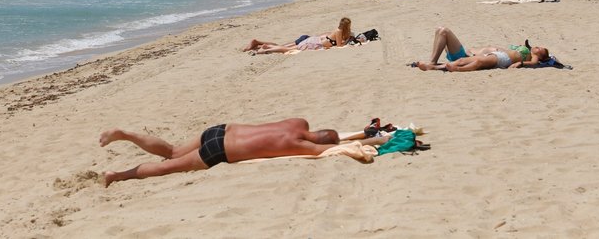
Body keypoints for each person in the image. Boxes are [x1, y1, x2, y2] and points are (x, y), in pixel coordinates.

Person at [100, 117, 389, 186]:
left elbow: (331, 136)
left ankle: (124, 134)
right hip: (221, 150)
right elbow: (330, 149)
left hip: (221, 130)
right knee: (166, 167)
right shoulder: (306, 147)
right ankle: (116, 176)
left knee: (173, 151)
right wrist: (377, 141)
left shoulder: (299, 123)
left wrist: (363, 131)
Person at [411, 26, 550, 71]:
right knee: (440, 30)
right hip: (468, 54)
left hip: (467, 58)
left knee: (444, 31)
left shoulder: (532, 57)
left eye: (541, 49)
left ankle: (432, 64)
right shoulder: (523, 50)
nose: (538, 47)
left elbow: (534, 63)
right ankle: (433, 62)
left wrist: (521, 63)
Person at [244, 18, 355, 54]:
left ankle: (264, 47)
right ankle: (264, 48)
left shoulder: (338, 31)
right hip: (312, 42)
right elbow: (340, 45)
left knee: (287, 47)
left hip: (313, 40)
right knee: (287, 48)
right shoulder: (339, 31)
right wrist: (347, 41)